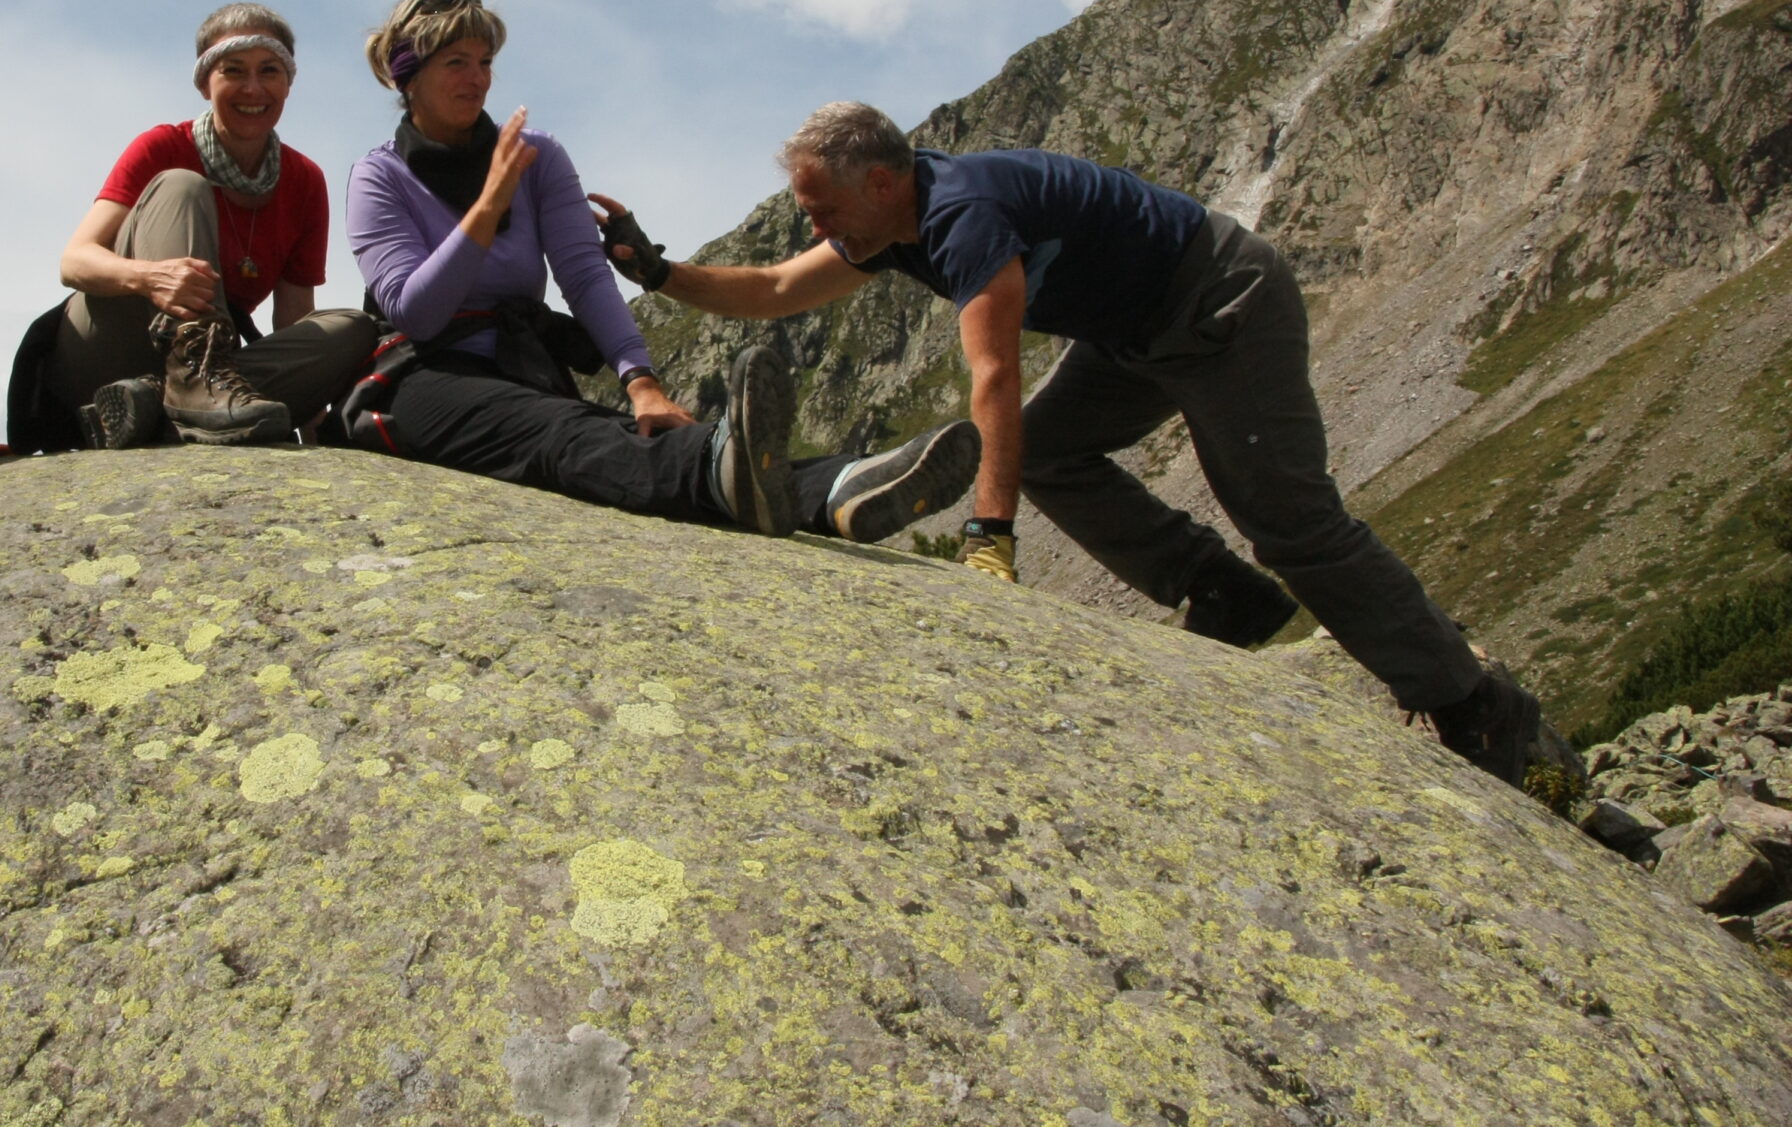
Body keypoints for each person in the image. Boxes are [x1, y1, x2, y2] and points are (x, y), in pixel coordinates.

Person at [592, 100, 1542, 784]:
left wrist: (989, 539)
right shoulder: (889, 221)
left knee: (1292, 522)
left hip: (1222, 304)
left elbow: (994, 378)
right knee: (1049, 450)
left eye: (824, 209)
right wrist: (659, 269)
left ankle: (1471, 702)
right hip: (1137, 334)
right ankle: (1222, 591)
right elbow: (772, 288)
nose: (816, 227)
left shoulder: (962, 214)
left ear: (880, 182)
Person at [346, 0, 977, 540]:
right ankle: (747, 470)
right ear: (408, 75)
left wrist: (641, 384)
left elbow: (584, 276)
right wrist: (487, 208)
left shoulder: (537, 156)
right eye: (456, 63)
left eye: (485, 62)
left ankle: (835, 487)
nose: (478, 79)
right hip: (420, 378)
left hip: (519, 372)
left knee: (609, 431)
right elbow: (416, 313)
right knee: (563, 434)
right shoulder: (378, 177)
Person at [16, 3, 376, 450]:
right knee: (181, 186)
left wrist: (312, 410)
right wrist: (148, 278)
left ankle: (152, 408)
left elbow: (294, 317)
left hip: (214, 374)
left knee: (354, 328)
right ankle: (185, 391)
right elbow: (74, 262)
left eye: (269, 70)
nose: (253, 88)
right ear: (205, 82)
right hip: (107, 345)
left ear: (288, 82)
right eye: (233, 70)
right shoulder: (163, 146)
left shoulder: (304, 180)